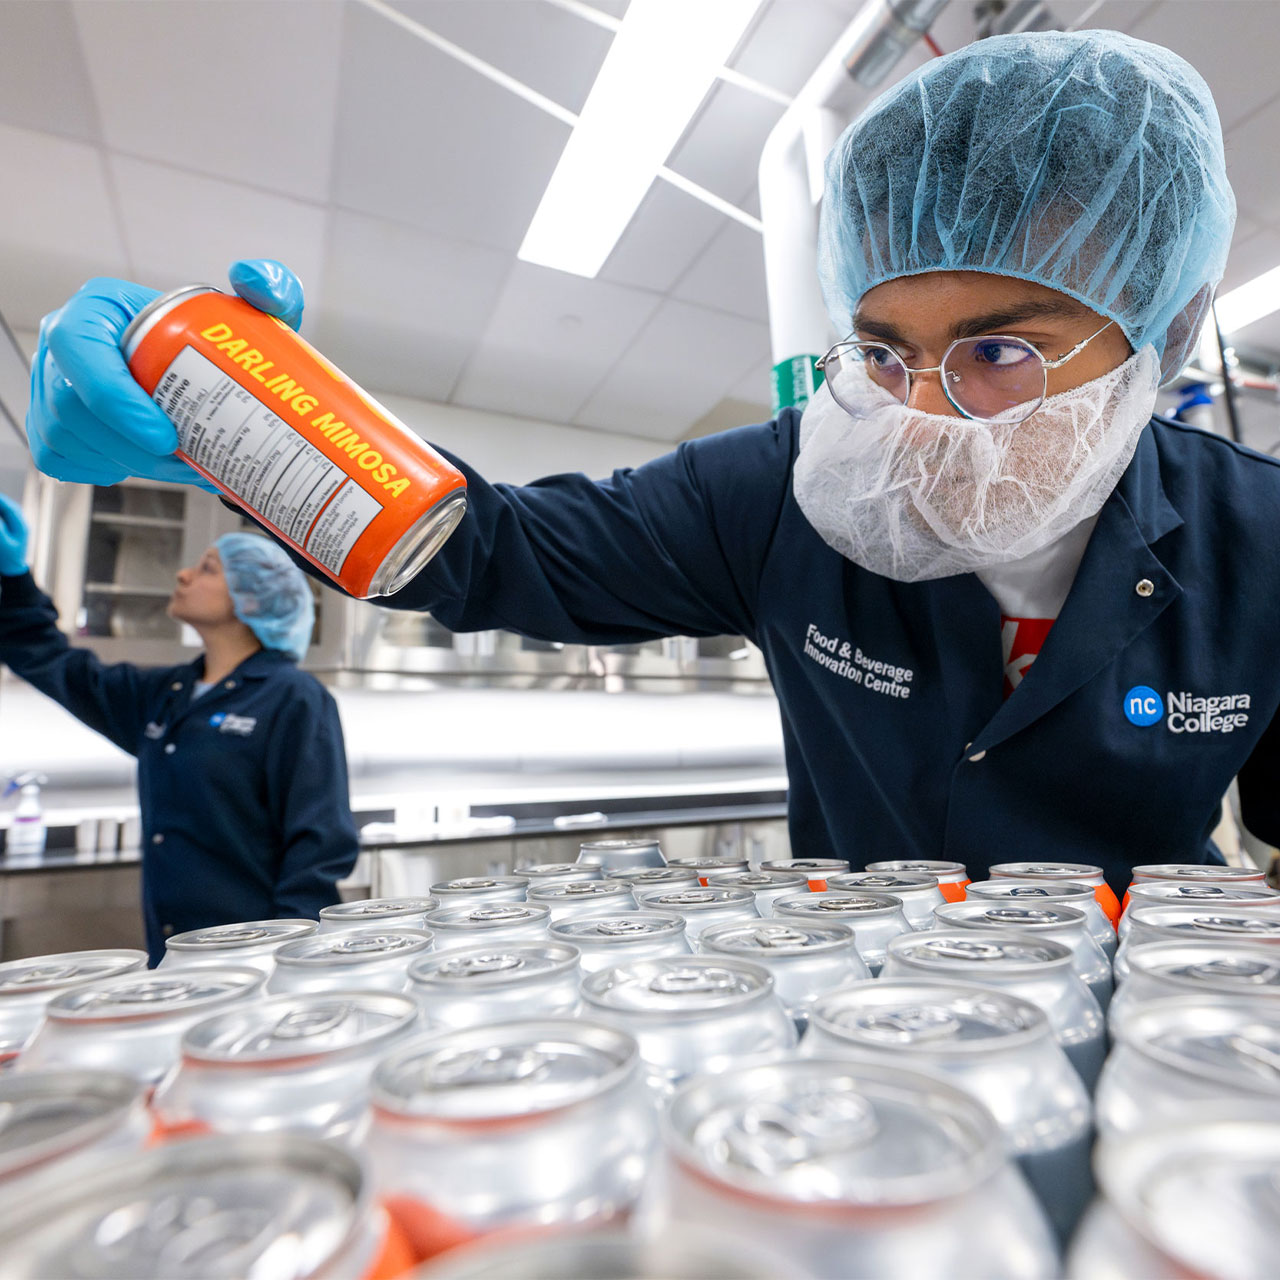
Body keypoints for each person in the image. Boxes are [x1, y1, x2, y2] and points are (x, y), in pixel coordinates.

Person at [21, 29, 1277, 900]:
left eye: (999, 349)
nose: (925, 412)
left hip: (1148, 1032)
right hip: (860, 1017)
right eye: (884, 350)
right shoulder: (788, 488)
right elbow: (486, 549)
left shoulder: (1260, 538)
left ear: (1151, 338)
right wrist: (228, 414)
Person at [0, 506, 359, 963]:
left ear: (252, 598)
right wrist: (14, 578)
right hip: (176, 959)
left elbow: (319, 847)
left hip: (257, 961)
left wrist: (287, 960)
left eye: (207, 568)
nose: (184, 575)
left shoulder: (293, 699)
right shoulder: (166, 694)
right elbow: (56, 666)